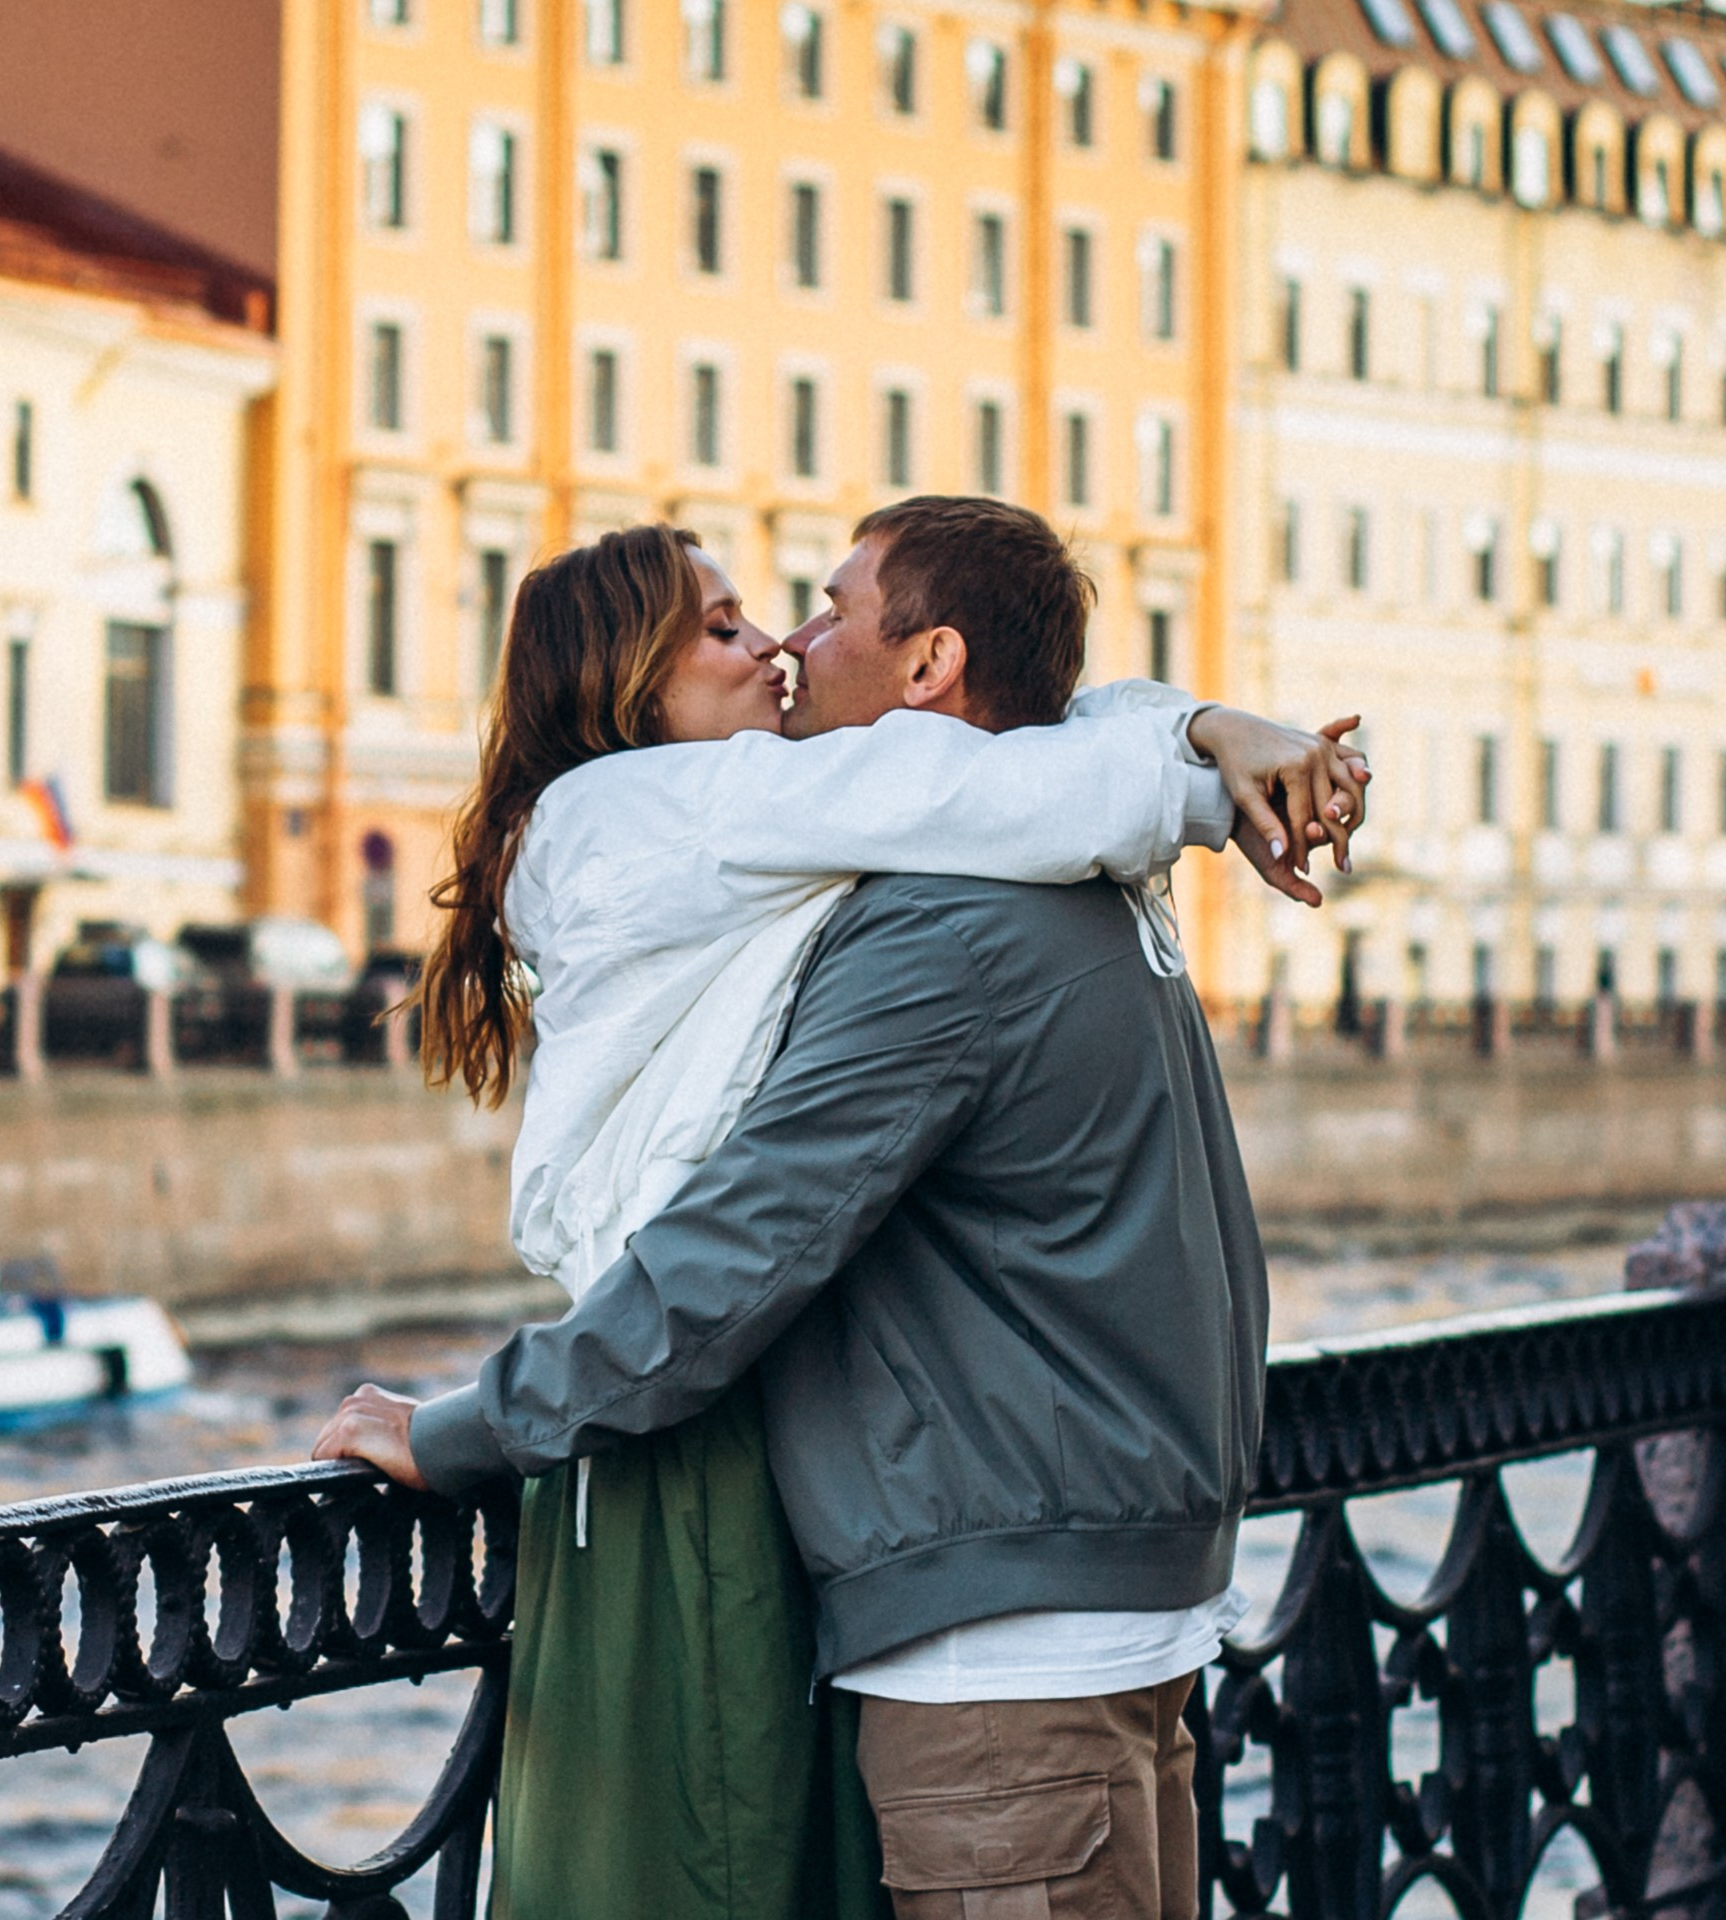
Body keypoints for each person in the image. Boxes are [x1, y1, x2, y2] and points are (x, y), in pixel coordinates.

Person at [314, 504, 1363, 1919]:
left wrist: (472, 1428)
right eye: (741, 623)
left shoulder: (948, 925)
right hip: (1105, 1592)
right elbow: (1025, 772)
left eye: (815, 609)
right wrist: (1210, 742)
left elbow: (742, 1242)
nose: (791, 650)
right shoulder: (1077, 890)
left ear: (927, 670)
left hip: (1001, 1643)